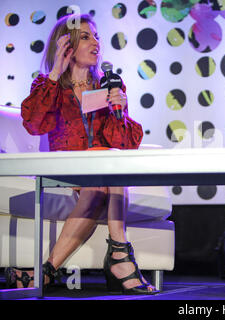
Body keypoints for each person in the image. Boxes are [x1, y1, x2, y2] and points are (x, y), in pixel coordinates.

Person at [5, 13, 158, 295]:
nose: (96, 42)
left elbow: (123, 143)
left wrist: (120, 112)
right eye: (86, 36)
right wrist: (54, 74)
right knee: (105, 171)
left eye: (96, 36)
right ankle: (120, 258)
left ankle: (46, 272)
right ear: (66, 45)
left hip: (101, 171)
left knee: (107, 167)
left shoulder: (108, 85)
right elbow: (34, 123)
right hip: (66, 170)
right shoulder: (48, 86)